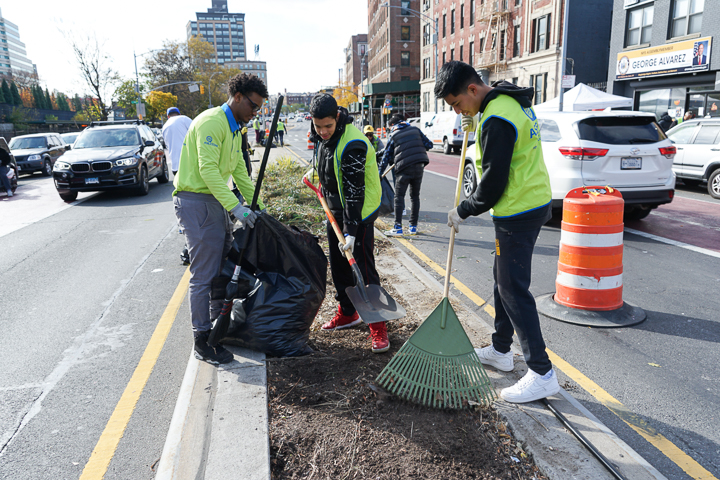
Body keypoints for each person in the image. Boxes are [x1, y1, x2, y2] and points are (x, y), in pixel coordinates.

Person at [435, 61, 559, 403]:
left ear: (473, 90)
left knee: (513, 290)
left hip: (518, 210)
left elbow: (491, 186)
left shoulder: (496, 120)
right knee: (501, 280)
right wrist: (473, 121)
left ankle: (542, 372)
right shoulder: (507, 100)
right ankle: (501, 350)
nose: (459, 110)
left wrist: (462, 209)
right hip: (533, 199)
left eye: (457, 103)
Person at [173, 73, 268, 365]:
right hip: (197, 201)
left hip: (213, 200)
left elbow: (239, 172)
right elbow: (208, 171)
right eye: (253, 106)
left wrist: (259, 207)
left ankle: (216, 324)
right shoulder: (213, 123)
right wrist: (236, 208)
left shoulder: (235, 129)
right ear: (237, 97)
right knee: (203, 274)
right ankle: (202, 340)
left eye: (259, 109)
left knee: (220, 263)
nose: (255, 113)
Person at [305, 94, 388, 353]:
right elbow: (328, 160)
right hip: (335, 211)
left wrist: (352, 231)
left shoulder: (353, 142)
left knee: (363, 268)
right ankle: (348, 312)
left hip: (358, 215)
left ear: (337, 117)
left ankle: (378, 325)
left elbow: (355, 192)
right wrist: (315, 172)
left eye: (327, 126)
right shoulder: (321, 135)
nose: (322, 131)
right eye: (318, 126)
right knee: (339, 266)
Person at [378, 115, 433, 236]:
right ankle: (413, 227)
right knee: (415, 196)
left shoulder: (394, 135)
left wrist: (379, 173)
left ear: (393, 125)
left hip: (404, 168)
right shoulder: (415, 130)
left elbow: (386, 157)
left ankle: (398, 227)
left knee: (399, 196)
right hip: (419, 166)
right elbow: (429, 145)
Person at [162, 107, 194, 264]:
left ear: (168, 115)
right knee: (195, 196)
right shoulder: (186, 119)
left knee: (182, 195)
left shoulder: (165, 126)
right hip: (189, 163)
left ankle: (184, 225)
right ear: (179, 113)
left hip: (175, 166)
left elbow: (168, 146)